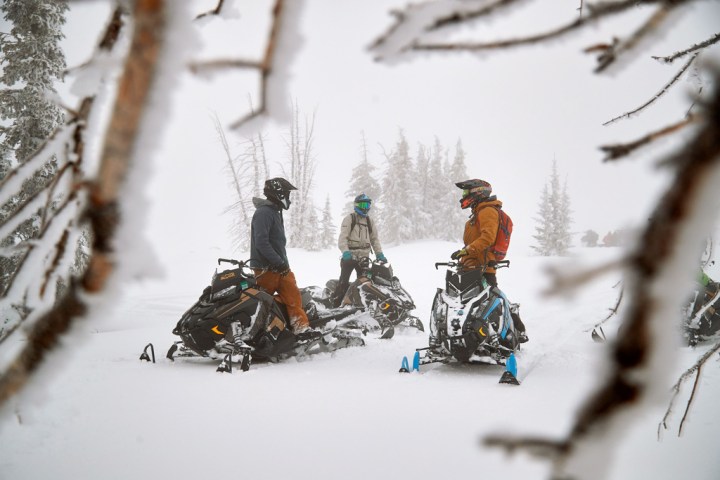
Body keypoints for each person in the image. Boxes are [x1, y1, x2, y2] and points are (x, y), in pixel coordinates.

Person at [450, 179, 528, 343]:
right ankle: (464, 337)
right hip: (470, 266)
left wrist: (467, 250)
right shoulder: (478, 213)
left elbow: (487, 238)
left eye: (466, 193)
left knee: (491, 299)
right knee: (467, 304)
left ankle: (516, 329)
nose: (463, 196)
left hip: (482, 267)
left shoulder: (487, 211)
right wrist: (465, 255)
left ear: (478, 192)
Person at [250, 177, 313, 334]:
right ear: (278, 194)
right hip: (266, 269)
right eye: (286, 193)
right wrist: (279, 262)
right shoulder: (263, 213)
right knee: (262, 306)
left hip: (280, 268)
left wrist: (282, 264)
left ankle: (301, 330)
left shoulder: (274, 212)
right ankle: (258, 336)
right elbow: (261, 243)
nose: (288, 198)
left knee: (293, 299)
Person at [332, 193, 386, 307]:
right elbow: (343, 238)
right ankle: (336, 305)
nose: (365, 208)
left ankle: (360, 306)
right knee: (343, 282)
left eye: (367, 205)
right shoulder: (350, 218)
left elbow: (374, 239)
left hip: (364, 258)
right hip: (350, 257)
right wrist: (345, 252)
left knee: (365, 284)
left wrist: (379, 254)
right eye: (363, 204)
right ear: (357, 205)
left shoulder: (369, 221)